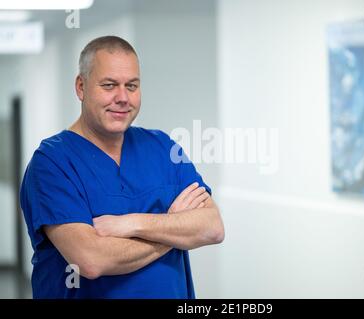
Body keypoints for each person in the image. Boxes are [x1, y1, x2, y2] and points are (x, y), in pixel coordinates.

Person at [19, 36, 225, 299]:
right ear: (81, 87)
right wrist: (174, 231)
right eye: (109, 85)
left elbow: (212, 227)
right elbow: (91, 260)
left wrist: (131, 224)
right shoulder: (52, 163)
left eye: (132, 85)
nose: (123, 97)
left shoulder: (162, 148)